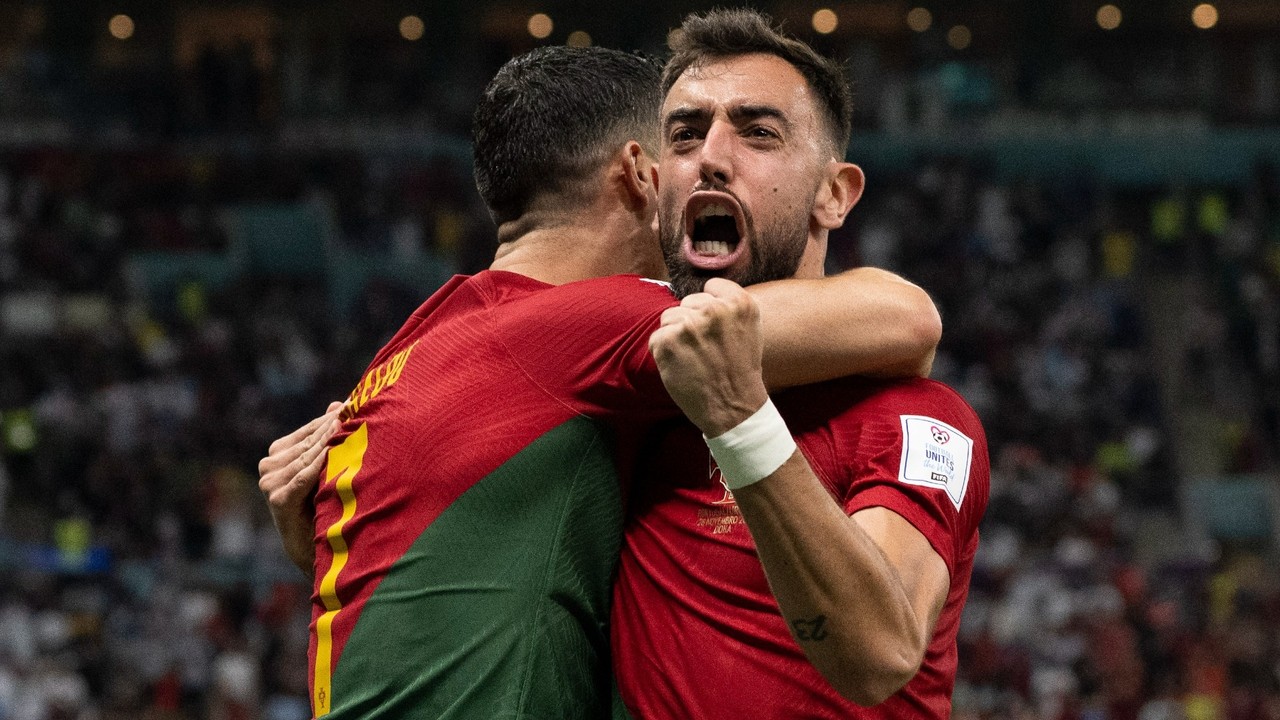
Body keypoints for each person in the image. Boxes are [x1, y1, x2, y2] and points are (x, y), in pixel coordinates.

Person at [257, 44, 941, 718]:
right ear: (641, 176)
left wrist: (305, 544)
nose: (702, 173)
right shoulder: (587, 328)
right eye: (682, 149)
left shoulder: (411, 350)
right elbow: (905, 320)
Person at [611, 10, 989, 718]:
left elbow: (879, 653)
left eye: (758, 132)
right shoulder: (618, 392)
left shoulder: (918, 417)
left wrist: (739, 419)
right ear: (654, 184)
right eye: (686, 134)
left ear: (834, 193)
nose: (712, 157)